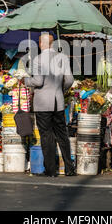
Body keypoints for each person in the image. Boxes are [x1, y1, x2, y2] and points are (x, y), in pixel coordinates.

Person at [21, 33, 76, 177]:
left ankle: (51, 170)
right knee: (62, 135)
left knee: (47, 136)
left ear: (40, 44)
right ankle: (69, 168)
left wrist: (26, 81)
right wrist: (60, 89)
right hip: (58, 101)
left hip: (43, 103)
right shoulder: (62, 58)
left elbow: (38, 82)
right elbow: (69, 80)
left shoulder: (38, 59)